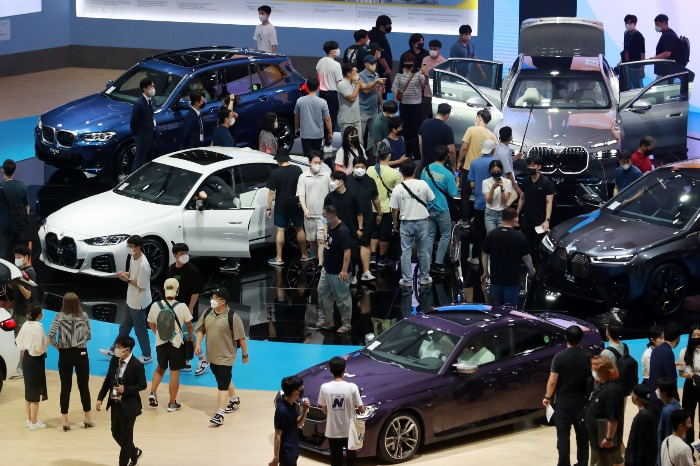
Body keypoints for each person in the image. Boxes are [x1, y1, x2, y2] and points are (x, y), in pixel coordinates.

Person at [195, 288, 249, 426]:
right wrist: (198, 344)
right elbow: (201, 329)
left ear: (223, 302)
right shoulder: (208, 313)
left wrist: (245, 354)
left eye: (215, 298)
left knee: (222, 384)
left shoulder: (233, 316)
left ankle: (220, 414)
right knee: (222, 378)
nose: (212, 300)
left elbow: (241, 338)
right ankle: (235, 400)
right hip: (212, 356)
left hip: (226, 356)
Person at [542, 325, 592, 466]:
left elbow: (552, 381)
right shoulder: (588, 357)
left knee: (563, 436)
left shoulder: (559, 357)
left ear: (566, 338)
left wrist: (547, 397)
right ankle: (582, 462)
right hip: (582, 402)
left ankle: (564, 463)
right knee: (582, 436)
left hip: (563, 402)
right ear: (581, 339)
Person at [100, 235, 152, 364]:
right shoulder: (133, 257)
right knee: (124, 327)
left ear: (138, 247)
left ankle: (147, 355)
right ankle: (114, 349)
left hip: (138, 302)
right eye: (128, 246)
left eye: (131, 246)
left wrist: (126, 279)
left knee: (140, 330)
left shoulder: (144, 265)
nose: (129, 248)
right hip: (131, 299)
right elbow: (132, 272)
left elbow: (141, 285)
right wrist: (126, 274)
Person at [96, 335, 147, 466]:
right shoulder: (114, 360)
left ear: (127, 350)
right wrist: (100, 398)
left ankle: (123, 463)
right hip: (115, 403)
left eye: (119, 347)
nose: (116, 350)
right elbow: (108, 380)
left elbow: (142, 385)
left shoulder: (137, 365)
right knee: (115, 433)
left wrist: (126, 390)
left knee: (126, 437)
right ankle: (134, 452)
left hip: (129, 405)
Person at [146, 278, 194, 413]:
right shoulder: (182, 306)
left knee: (160, 368)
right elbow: (189, 324)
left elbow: (150, 322)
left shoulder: (156, 305)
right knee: (174, 374)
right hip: (176, 344)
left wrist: (158, 333)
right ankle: (172, 403)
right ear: (177, 290)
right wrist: (190, 337)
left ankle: (152, 392)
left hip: (161, 344)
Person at [48, 292, 94, 431]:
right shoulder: (84, 316)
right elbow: (89, 335)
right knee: (84, 387)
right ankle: (87, 418)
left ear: (64, 303)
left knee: (65, 388)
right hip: (81, 354)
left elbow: (51, 335)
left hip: (65, 354)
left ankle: (65, 420)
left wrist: (58, 347)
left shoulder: (59, 316)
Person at [390, 159, 435, 288]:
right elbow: (432, 198)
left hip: (406, 223)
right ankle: (425, 277)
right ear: (415, 171)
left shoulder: (398, 188)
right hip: (422, 221)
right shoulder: (422, 184)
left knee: (406, 252)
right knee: (424, 251)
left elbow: (394, 209)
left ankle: (407, 280)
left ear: (401, 173)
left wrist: (394, 223)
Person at [481, 208, 535, 306]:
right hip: (512, 282)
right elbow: (526, 257)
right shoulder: (519, 237)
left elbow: (484, 254)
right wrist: (531, 270)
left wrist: (485, 272)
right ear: (514, 219)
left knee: (496, 311)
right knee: (510, 311)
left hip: (495, 280)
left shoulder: (491, 234)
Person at [318, 356, 365, 466]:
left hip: (333, 431)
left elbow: (325, 410)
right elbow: (362, 410)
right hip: (350, 431)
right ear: (345, 370)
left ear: (330, 371)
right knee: (351, 458)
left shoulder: (324, 387)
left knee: (335, 459)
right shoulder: (352, 387)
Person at [267, 148, 310, 266]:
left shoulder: (275, 173)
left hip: (282, 205)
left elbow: (271, 192)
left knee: (281, 230)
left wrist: (268, 208)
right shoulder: (297, 170)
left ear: (278, 160)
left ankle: (279, 258)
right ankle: (304, 254)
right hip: (296, 204)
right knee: (299, 228)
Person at [315, 205, 353, 334]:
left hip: (339, 271)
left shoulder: (342, 231)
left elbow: (347, 252)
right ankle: (328, 320)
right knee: (322, 292)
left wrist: (344, 270)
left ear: (330, 216)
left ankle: (346, 324)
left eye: (323, 215)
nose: (322, 217)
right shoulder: (331, 227)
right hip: (328, 269)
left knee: (342, 298)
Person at [167, 243, 204, 374]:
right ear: (175, 255)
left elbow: (196, 292)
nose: (185, 256)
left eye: (186, 253)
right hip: (175, 308)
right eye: (182, 253)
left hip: (187, 308)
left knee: (189, 334)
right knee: (179, 335)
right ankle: (186, 361)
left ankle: (201, 358)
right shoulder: (171, 269)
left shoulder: (192, 270)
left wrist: (190, 307)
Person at [421, 145, 458, 275]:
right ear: (446, 157)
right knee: (445, 235)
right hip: (442, 208)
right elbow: (453, 192)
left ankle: (428, 263)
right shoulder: (448, 174)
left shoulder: (426, 170)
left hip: (427, 207)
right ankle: (438, 263)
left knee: (430, 236)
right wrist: (456, 182)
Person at [457, 109, 497, 223]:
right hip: (484, 170)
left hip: (469, 167)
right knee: (482, 194)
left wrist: (459, 161)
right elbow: (493, 151)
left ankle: (465, 220)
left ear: (479, 118)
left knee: (465, 194)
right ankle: (478, 219)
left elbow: (464, 147)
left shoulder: (471, 130)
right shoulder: (492, 135)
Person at [584, 354, 624, 466]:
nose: (593, 373)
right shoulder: (602, 384)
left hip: (604, 442)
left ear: (604, 371)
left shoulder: (612, 390)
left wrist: (609, 438)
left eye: (594, 370)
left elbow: (613, 418)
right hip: (597, 439)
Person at [346, 156, 381, 282]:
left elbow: (375, 198)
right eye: (357, 167)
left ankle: (365, 272)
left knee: (365, 244)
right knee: (351, 246)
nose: (360, 169)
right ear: (353, 167)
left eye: (362, 167)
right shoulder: (347, 180)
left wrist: (379, 213)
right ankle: (352, 273)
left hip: (367, 217)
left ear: (366, 168)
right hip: (350, 218)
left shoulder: (370, 181)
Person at [324, 171, 362, 283]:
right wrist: (325, 229)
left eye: (333, 180)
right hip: (333, 230)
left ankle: (353, 274)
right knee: (334, 253)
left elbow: (359, 214)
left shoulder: (353, 196)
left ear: (341, 182)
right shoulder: (329, 197)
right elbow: (325, 214)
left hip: (351, 230)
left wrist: (360, 228)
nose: (331, 182)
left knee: (353, 254)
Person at [15, 303, 48, 431]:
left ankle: (29, 420)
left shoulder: (25, 324)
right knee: (34, 394)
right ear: (39, 315)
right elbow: (41, 347)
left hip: (26, 360)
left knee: (28, 391)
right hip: (36, 362)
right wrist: (47, 344)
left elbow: (18, 342)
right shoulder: (38, 328)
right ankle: (34, 423)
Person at [368, 143, 402, 269]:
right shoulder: (394, 173)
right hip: (387, 208)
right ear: (389, 156)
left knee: (374, 233)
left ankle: (372, 256)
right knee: (384, 234)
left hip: (372, 207)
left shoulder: (369, 169)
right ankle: (382, 258)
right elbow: (397, 192)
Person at [516, 155, 555, 262]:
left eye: (533, 165)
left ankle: (539, 266)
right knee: (525, 244)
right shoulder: (525, 180)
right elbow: (522, 198)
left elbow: (549, 202)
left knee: (538, 245)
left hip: (540, 220)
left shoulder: (546, 183)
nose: (530, 167)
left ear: (539, 167)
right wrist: (517, 214)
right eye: (528, 165)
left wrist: (547, 220)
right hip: (527, 219)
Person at [297, 151, 332, 266]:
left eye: (319, 162)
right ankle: (317, 258)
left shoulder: (326, 175)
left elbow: (332, 193)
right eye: (315, 162)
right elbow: (301, 195)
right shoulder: (303, 177)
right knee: (312, 239)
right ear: (309, 163)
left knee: (322, 239)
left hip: (323, 215)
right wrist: (305, 209)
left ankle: (321, 263)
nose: (317, 164)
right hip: (309, 215)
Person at [8, 243, 37, 379]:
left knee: (21, 343)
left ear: (26, 257)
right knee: (18, 341)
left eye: (19, 257)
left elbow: (28, 295)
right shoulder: (19, 272)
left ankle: (22, 369)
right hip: (18, 310)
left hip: (24, 313)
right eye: (15, 257)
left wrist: (19, 282)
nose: (17, 259)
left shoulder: (29, 273)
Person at [392, 52, 428, 160]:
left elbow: (425, 83)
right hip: (404, 106)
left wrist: (426, 75)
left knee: (416, 130)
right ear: (403, 62)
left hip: (416, 106)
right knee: (404, 130)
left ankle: (416, 154)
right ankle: (406, 153)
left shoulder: (418, 73)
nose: (409, 63)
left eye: (410, 61)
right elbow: (395, 89)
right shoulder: (399, 75)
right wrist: (395, 106)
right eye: (406, 61)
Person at [467, 139, 497, 265]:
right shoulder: (496, 164)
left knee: (478, 232)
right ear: (493, 150)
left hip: (479, 203)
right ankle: (492, 258)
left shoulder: (474, 163)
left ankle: (475, 257)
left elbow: (472, 184)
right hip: (494, 204)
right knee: (493, 232)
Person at [270, 375, 310, 466]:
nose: (301, 389)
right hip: (286, 453)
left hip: (293, 449)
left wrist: (304, 411)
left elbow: (298, 423)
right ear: (295, 391)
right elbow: (277, 435)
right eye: (300, 387)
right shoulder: (282, 410)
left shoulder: (291, 404)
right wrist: (276, 458)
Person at [294, 77, 333, 156]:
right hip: (318, 134)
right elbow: (327, 118)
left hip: (305, 133)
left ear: (307, 87)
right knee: (316, 156)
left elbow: (297, 116)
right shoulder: (323, 102)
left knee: (307, 156)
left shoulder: (300, 101)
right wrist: (330, 133)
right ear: (318, 87)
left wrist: (296, 128)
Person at [0, 159, 29, 260]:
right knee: (19, 252)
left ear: (2, 170)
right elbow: (27, 206)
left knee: (2, 254)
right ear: (15, 171)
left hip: (3, 226)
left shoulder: (0, 187)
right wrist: (26, 218)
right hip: (18, 224)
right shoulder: (22, 186)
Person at [625, 384, 659, 466]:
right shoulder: (653, 410)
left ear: (635, 397)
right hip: (650, 458)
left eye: (632, 393)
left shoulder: (641, 417)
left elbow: (638, 443)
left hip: (640, 461)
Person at [678, 324, 700, 443]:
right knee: (688, 417)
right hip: (691, 386)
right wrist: (690, 375)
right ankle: (689, 446)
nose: (696, 337)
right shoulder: (684, 351)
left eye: (699, 335)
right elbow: (681, 373)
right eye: (694, 335)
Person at [358, 55, 383, 156]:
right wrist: (376, 83)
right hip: (362, 110)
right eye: (372, 63)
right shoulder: (360, 76)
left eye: (375, 63)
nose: (374, 65)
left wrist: (382, 104)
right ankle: (360, 156)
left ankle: (372, 156)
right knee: (360, 136)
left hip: (374, 110)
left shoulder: (376, 75)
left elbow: (378, 92)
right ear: (366, 64)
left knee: (374, 136)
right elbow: (366, 90)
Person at [317, 41, 343, 136]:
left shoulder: (320, 61)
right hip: (332, 94)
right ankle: (328, 143)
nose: (338, 50)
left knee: (322, 117)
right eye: (337, 48)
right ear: (332, 51)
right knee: (331, 118)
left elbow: (318, 76)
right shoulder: (336, 65)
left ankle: (322, 141)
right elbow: (339, 82)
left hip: (322, 93)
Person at [483, 160, 517, 232]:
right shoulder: (485, 182)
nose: (496, 173)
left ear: (501, 170)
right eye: (494, 171)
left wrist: (502, 189)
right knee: (491, 237)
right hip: (490, 213)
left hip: (503, 213)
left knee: (502, 238)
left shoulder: (507, 182)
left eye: (498, 171)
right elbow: (489, 201)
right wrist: (492, 188)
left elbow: (505, 201)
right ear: (490, 171)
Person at [130, 78, 156, 171]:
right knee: (139, 159)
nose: (153, 88)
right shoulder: (139, 104)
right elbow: (134, 122)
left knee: (149, 158)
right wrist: (137, 136)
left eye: (153, 86)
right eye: (151, 86)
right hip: (142, 136)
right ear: (145, 89)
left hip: (151, 134)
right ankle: (134, 178)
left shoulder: (152, 100)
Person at [418, 102, 455, 169]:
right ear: (447, 115)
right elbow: (452, 151)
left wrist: (422, 157)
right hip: (440, 165)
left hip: (426, 163)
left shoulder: (424, 123)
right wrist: (453, 165)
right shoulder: (447, 129)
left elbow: (420, 142)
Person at [649, 322, 682, 395]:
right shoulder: (668, 352)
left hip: (654, 392)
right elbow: (671, 378)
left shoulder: (656, 349)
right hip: (663, 396)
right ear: (677, 338)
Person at [657, 377, 682, 464]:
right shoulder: (675, 403)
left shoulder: (668, 411)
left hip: (667, 456)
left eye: (658, 389)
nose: (657, 391)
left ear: (664, 393)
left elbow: (668, 435)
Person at [420, 40, 447, 120]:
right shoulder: (425, 60)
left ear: (440, 49)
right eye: (431, 48)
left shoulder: (444, 62)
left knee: (436, 118)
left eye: (435, 49)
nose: (432, 51)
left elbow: (446, 80)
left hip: (437, 95)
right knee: (423, 117)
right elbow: (422, 73)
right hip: (426, 94)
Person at [493, 126, 522, 197]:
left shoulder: (498, 147)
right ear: (510, 137)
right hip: (503, 184)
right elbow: (508, 173)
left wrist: (515, 158)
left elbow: (504, 163)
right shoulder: (504, 153)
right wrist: (516, 187)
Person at [368, 15, 393, 91]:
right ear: (382, 26)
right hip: (380, 70)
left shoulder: (374, 34)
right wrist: (387, 68)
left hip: (377, 69)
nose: (390, 27)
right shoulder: (378, 36)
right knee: (380, 92)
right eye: (388, 25)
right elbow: (380, 55)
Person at [621, 14, 646, 90]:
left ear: (635, 24)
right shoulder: (626, 33)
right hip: (626, 65)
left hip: (635, 67)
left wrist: (642, 69)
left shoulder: (640, 37)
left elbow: (642, 54)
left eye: (630, 23)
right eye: (626, 23)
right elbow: (625, 48)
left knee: (637, 87)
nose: (628, 25)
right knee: (627, 86)